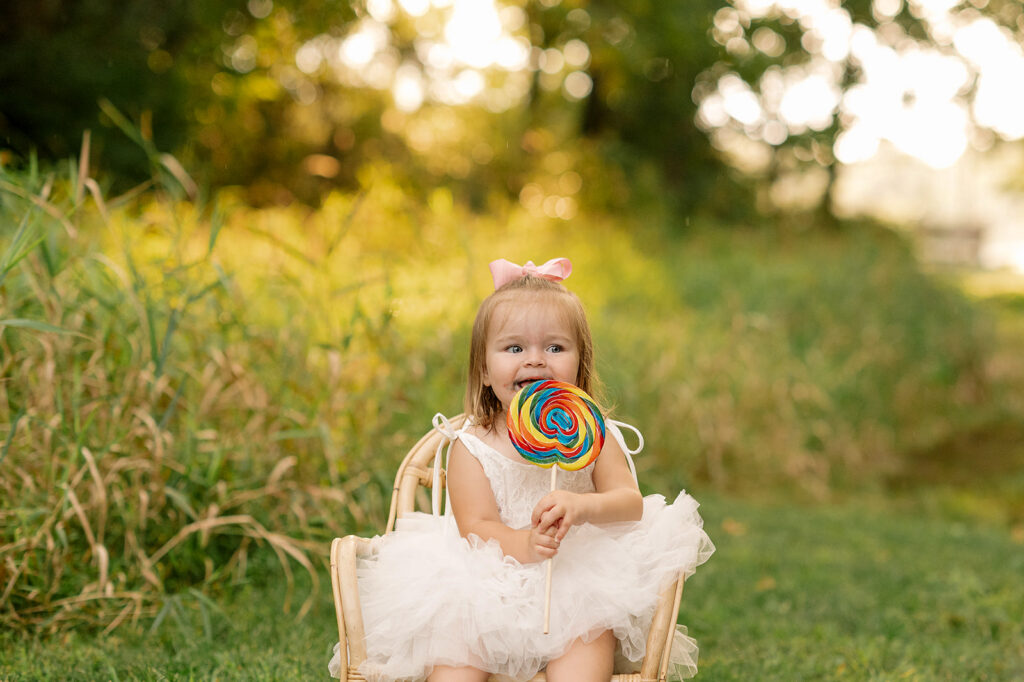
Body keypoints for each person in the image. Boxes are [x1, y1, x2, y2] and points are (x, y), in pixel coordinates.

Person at [329, 257, 715, 682]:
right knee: (456, 646)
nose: (535, 361)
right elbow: (475, 526)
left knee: (585, 644)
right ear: (484, 369)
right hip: (483, 582)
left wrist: (582, 506)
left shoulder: (593, 433)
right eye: (515, 348)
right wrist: (525, 546)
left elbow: (629, 503)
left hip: (578, 577)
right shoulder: (473, 446)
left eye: (555, 347)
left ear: (580, 363)